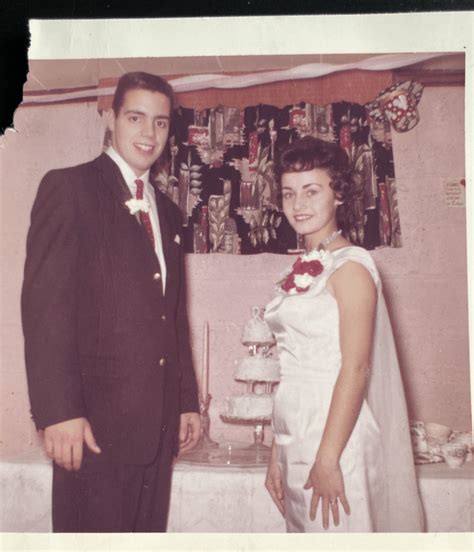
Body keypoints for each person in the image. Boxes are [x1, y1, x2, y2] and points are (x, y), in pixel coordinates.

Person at [21, 72, 201, 532]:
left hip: (157, 431)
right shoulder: (69, 189)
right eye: (137, 118)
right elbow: (45, 310)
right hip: (92, 430)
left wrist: (185, 402)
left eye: (160, 123)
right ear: (112, 117)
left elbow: (171, 316)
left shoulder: (168, 211)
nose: (149, 134)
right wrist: (58, 412)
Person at [264, 136, 424, 532]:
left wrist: (329, 457)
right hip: (295, 434)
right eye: (288, 194)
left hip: (336, 434)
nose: (297, 205)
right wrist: (276, 452)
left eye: (311, 191)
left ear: (338, 195)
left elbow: (355, 367)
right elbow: (292, 371)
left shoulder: (351, 267)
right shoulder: (302, 269)